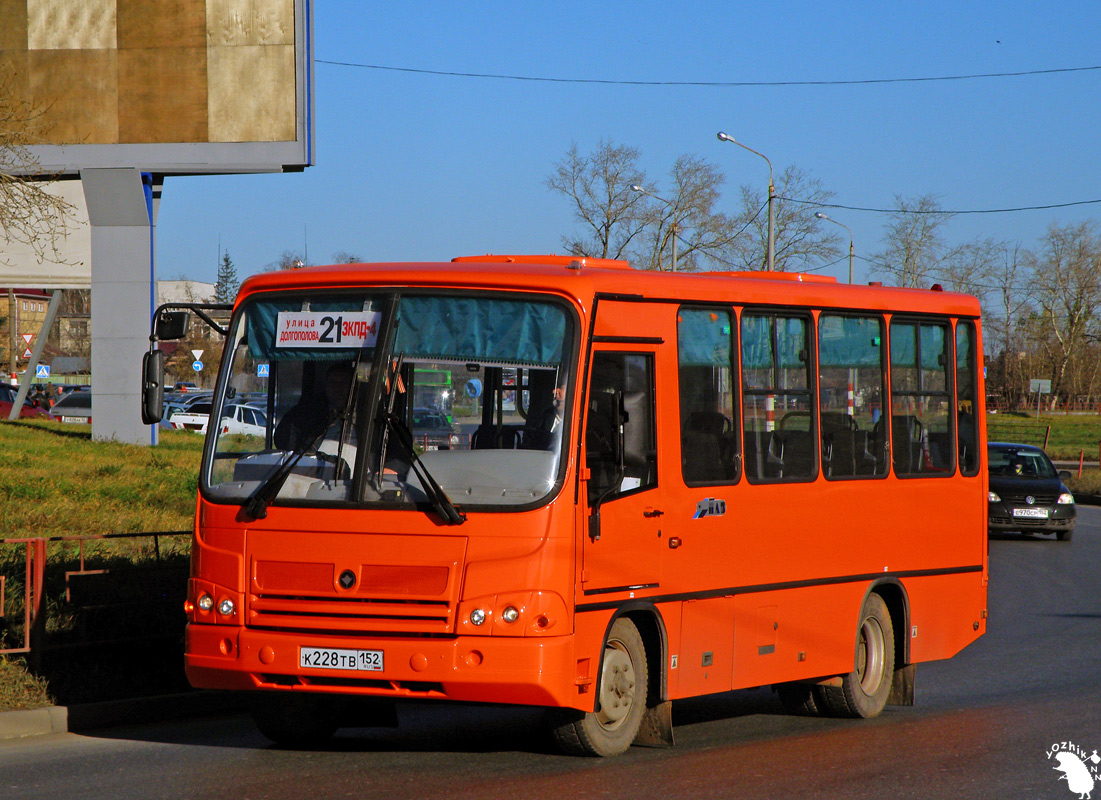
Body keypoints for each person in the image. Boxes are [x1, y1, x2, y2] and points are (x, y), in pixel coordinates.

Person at [273, 361, 356, 450]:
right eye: (333, 383)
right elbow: (282, 436)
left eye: (343, 383)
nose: (337, 388)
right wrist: (303, 452)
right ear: (326, 386)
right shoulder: (308, 410)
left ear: (352, 386)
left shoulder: (363, 411)